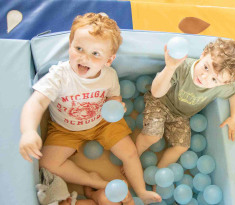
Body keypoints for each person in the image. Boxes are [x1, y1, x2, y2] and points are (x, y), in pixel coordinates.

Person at [19, 13, 161, 204]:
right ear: (70, 45)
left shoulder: (109, 75)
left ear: (108, 60)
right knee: (46, 163)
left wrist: (116, 104)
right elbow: (36, 102)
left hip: (102, 123)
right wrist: (28, 131)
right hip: (65, 128)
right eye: (79, 48)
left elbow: (113, 94)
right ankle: (93, 180)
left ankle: (141, 190)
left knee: (130, 152)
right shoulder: (60, 76)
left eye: (95, 54)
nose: (84, 58)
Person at [136, 38, 235, 169]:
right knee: (152, 136)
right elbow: (156, 92)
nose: (205, 77)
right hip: (160, 102)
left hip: (180, 116)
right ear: (204, 53)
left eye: (214, 79)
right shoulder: (182, 68)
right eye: (206, 67)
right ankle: (134, 156)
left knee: (182, 147)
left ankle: (160, 173)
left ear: (224, 83)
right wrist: (170, 68)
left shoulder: (222, 86)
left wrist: (234, 117)